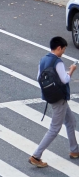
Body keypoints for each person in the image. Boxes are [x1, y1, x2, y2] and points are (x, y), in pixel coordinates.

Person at [29, 36, 79, 167]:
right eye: (63, 49)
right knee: (54, 129)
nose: (64, 52)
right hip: (59, 98)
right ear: (58, 48)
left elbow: (38, 77)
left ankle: (75, 150)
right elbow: (65, 80)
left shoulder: (43, 59)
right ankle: (36, 155)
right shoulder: (58, 62)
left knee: (71, 121)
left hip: (50, 96)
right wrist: (71, 71)